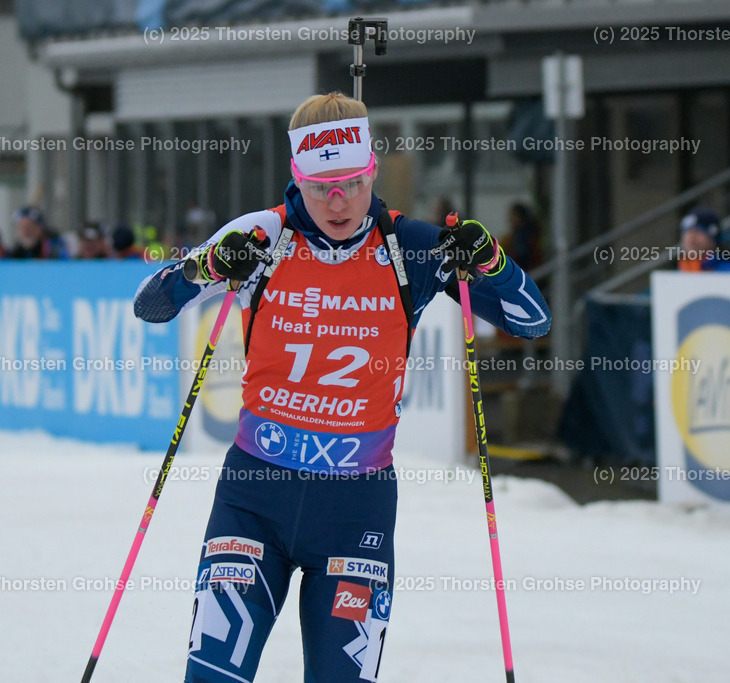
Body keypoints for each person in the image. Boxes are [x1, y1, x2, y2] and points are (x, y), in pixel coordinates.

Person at [133, 92, 551, 683]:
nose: (338, 201)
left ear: (372, 169)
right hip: (254, 497)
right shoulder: (261, 238)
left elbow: (533, 320)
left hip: (356, 511)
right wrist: (204, 268)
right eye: (320, 186)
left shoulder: (412, 248)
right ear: (295, 177)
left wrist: (490, 263)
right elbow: (150, 305)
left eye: (352, 183)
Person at [676, 207, 730, 272]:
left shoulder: (728, 272)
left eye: (697, 232)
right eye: (687, 233)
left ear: (713, 238)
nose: (691, 239)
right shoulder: (682, 270)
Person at [501, 202, 543, 273]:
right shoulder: (517, 235)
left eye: (512, 216)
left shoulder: (523, 236)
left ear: (519, 217)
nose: (509, 220)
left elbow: (523, 257)